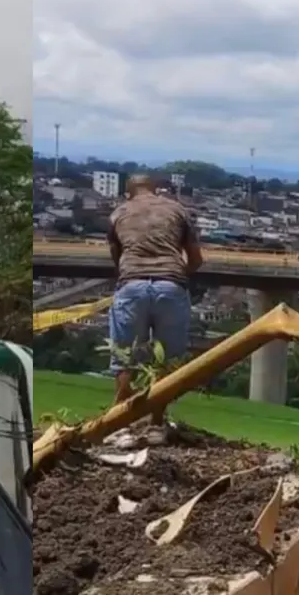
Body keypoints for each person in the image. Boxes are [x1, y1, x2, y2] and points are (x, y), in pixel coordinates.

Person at [106, 174, 202, 439]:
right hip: (171, 286)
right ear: (156, 190)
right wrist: (176, 276)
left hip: (132, 286)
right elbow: (196, 258)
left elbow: (117, 259)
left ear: (128, 193)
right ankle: (156, 424)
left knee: (125, 359)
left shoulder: (118, 214)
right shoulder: (176, 210)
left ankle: (120, 424)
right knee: (165, 359)